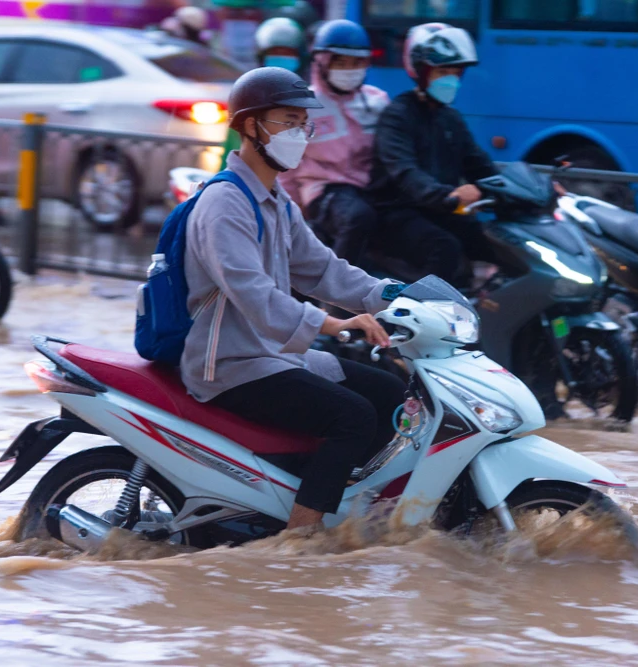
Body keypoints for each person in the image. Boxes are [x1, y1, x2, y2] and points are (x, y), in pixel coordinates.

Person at [182, 67, 406, 531]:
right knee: (353, 416)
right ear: (249, 126)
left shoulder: (275, 199)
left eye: (304, 123)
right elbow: (253, 293)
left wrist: (395, 296)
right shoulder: (225, 203)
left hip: (272, 355)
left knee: (392, 396)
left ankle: (330, 498)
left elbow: (322, 269)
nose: (300, 133)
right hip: (230, 364)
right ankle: (300, 542)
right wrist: (336, 325)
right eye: (287, 120)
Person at [367, 23, 498, 287]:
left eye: (456, 72)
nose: (450, 79)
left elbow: (480, 165)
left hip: (440, 210)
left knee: (496, 242)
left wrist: (532, 187)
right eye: (442, 71)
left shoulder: (451, 119)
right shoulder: (397, 115)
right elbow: (405, 173)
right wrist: (447, 195)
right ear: (421, 72)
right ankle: (434, 321)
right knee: (444, 248)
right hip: (397, 214)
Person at [278, 19, 389, 269]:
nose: (350, 70)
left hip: (371, 190)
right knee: (358, 218)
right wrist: (295, 212)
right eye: (341, 62)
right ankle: (336, 300)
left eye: (357, 63)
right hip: (323, 192)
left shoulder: (377, 101)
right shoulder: (304, 105)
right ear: (322, 63)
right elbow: (286, 166)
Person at [218, 17, 307, 171]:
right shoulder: (247, 97)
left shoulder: (306, 99)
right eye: (275, 52)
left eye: (288, 53)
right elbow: (232, 149)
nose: (282, 57)